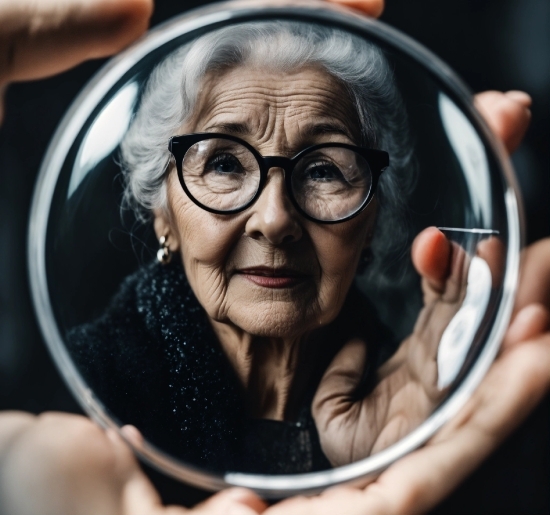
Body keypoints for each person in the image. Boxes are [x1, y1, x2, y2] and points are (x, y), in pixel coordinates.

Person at [0, 1, 547, 514]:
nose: (275, 219)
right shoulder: (88, 393)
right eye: (224, 164)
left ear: (374, 217)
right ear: (162, 212)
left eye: (325, 169)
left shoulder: (436, 405)